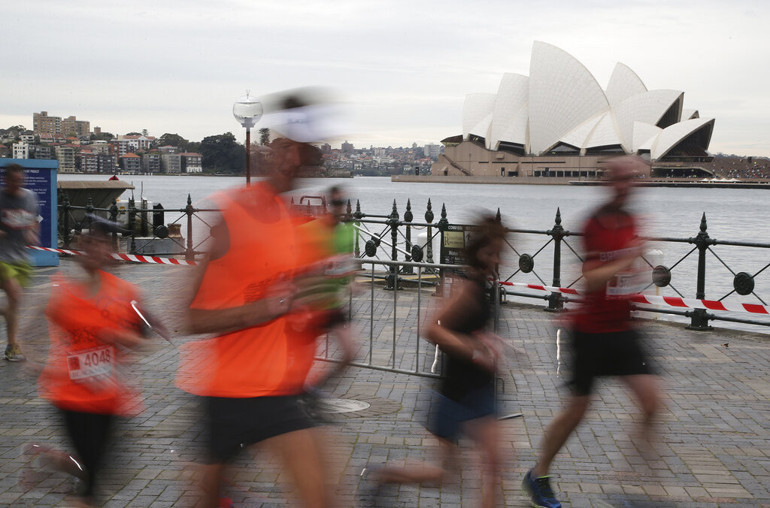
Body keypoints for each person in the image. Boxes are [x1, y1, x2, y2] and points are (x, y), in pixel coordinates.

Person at [176, 93, 339, 508]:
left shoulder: (297, 223)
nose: (292, 162)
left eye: (301, 153)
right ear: (267, 152)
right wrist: (259, 310)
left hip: (277, 391)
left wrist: (315, 302)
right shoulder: (227, 214)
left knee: (321, 496)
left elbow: (301, 304)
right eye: (284, 149)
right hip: (224, 392)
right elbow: (187, 319)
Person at [522, 156, 662, 508]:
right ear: (608, 182)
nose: (628, 185)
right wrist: (630, 258)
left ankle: (633, 486)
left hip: (623, 327)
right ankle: (538, 473)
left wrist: (638, 279)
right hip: (589, 330)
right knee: (577, 411)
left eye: (633, 179)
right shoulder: (592, 224)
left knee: (652, 402)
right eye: (621, 179)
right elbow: (592, 277)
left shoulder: (634, 221)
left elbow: (633, 272)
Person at [363, 214, 507, 508]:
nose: (496, 259)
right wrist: (473, 348)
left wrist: (494, 344)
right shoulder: (464, 286)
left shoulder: (482, 283)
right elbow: (431, 327)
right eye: (490, 253)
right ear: (476, 251)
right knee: (446, 476)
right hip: (455, 391)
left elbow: (472, 328)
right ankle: (386, 475)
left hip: (481, 388)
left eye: (499, 252)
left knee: (495, 467)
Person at [30, 215, 148, 506]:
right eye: (90, 244)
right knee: (92, 482)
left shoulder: (128, 294)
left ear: (110, 250)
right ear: (79, 248)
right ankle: (75, 476)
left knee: (111, 476)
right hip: (69, 396)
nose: (96, 250)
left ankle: (61, 462)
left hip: (109, 398)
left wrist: (121, 337)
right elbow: (29, 334)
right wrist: (38, 363)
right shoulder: (59, 291)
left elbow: (148, 340)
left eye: (103, 244)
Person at [1, 163, 39, 362]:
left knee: (15, 305)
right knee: (15, 295)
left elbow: (36, 219)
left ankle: (11, 347)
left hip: (20, 257)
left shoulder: (29, 197)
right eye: (13, 181)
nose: (18, 184)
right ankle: (13, 346)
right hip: (1, 258)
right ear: (6, 180)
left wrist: (32, 232)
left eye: (20, 181)